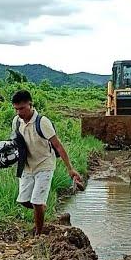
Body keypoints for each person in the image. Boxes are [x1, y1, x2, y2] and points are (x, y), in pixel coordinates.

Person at [11, 90, 83, 236]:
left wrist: (70, 169)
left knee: (36, 202)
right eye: (16, 109)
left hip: (44, 164)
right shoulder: (16, 122)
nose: (19, 112)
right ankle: (42, 209)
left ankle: (38, 234)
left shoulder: (42, 122)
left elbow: (58, 145)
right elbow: (16, 142)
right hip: (27, 165)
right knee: (24, 201)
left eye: (22, 108)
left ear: (30, 105)